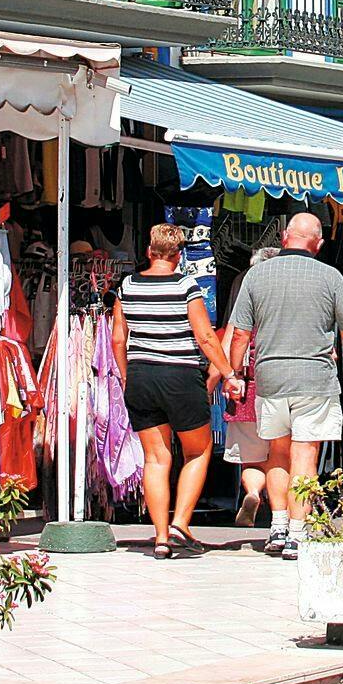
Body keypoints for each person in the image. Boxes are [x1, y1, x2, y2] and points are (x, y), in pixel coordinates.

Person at [225, 212, 343, 560]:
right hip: (314, 379)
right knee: (304, 454)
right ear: (318, 243)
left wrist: (235, 374)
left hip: (271, 378)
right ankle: (297, 533)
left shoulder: (255, 276)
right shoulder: (331, 277)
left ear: (285, 237)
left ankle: (275, 528)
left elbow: (241, 333)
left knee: (276, 452)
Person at [112, 223, 240, 560]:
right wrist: (228, 373)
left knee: (156, 458)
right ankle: (181, 523)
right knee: (197, 451)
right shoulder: (186, 285)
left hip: (141, 377)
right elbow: (205, 337)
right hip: (180, 376)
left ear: (148, 252)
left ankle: (160, 538)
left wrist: (127, 376)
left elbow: (117, 339)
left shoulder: (128, 286)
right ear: (179, 255)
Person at [219, 246, 280, 528]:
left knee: (251, 458)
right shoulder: (285, 303)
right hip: (282, 386)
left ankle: (254, 492)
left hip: (247, 387)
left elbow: (233, 338)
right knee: (280, 454)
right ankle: (283, 518)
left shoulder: (246, 295)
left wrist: (230, 377)